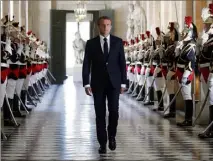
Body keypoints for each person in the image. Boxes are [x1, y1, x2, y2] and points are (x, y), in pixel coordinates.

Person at [82, 16, 127, 154]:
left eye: (108, 25)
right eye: (103, 25)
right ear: (98, 26)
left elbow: (122, 63)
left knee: (114, 111)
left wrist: (123, 83)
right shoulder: (91, 43)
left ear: (111, 26)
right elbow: (86, 64)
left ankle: (112, 136)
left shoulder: (118, 42)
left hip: (114, 83)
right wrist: (86, 83)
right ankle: (102, 143)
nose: (105, 28)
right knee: (100, 114)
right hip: (98, 83)